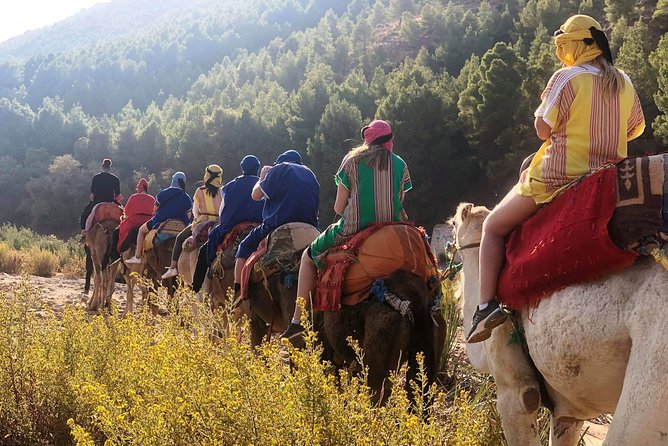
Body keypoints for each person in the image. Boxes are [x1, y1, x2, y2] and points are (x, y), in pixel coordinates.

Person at [466, 14, 645, 344]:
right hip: (608, 177)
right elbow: (635, 128)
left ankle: (485, 307)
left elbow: (543, 129)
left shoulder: (568, 77)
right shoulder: (624, 81)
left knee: (492, 226)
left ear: (574, 47)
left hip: (557, 176)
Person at [281, 120, 412, 340]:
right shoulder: (400, 164)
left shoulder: (351, 161)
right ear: (390, 140)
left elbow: (338, 208)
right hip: (394, 229)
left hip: (353, 228)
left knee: (308, 257)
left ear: (367, 139)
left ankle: (297, 321)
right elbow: (400, 200)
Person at [232, 150, 320, 295]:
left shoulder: (279, 169)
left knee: (244, 246)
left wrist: (262, 177)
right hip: (311, 227)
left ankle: (238, 293)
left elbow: (255, 195)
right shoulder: (310, 174)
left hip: (276, 225)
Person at [191, 155, 264, 292]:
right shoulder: (263, 184)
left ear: (242, 168)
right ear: (258, 169)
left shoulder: (230, 186)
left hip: (232, 225)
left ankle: (202, 283)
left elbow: (223, 212)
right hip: (260, 226)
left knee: (207, 246)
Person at [162, 165, 223, 279]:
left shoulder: (200, 191)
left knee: (180, 238)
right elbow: (223, 209)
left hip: (202, 222)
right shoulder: (223, 191)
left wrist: (199, 219)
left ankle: (173, 268)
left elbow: (195, 211)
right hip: (218, 223)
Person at [126, 172, 193, 264]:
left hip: (161, 222)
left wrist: (155, 213)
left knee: (141, 230)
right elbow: (189, 215)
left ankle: (137, 257)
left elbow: (155, 210)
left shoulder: (163, 193)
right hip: (181, 226)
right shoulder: (186, 197)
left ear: (173, 180)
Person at [79, 158, 122, 292]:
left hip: (98, 204)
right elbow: (118, 195)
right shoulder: (115, 179)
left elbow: (92, 195)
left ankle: (84, 233)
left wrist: (96, 198)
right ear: (110, 168)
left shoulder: (96, 178)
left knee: (86, 214)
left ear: (102, 167)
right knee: (123, 216)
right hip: (112, 204)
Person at [116, 178, 155, 254]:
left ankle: (117, 254)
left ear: (139, 187)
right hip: (147, 223)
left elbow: (126, 214)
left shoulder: (133, 197)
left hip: (134, 222)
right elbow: (154, 213)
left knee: (117, 232)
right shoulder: (152, 198)